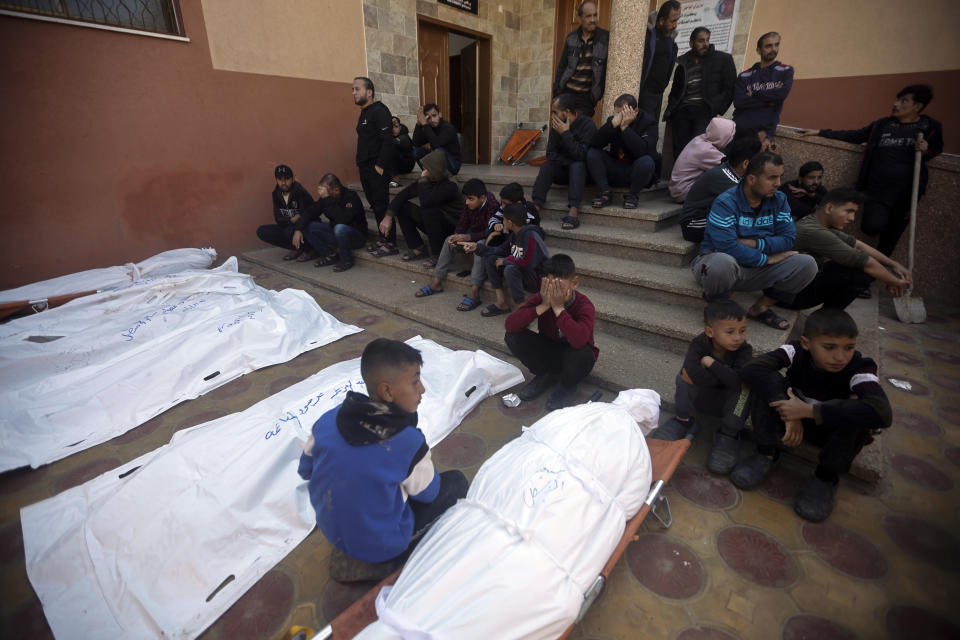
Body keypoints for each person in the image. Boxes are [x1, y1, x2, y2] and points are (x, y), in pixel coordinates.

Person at [297, 338, 468, 582]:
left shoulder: (328, 420)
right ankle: (386, 560)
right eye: (415, 381)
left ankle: (358, 543)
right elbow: (429, 494)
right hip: (380, 545)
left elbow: (306, 469)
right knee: (455, 483)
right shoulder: (407, 442)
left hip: (332, 530)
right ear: (387, 391)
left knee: (373, 486)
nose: (422, 390)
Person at [733, 308, 891, 522]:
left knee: (858, 414)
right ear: (807, 343)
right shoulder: (797, 351)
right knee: (766, 385)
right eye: (830, 347)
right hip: (789, 420)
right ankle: (765, 453)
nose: (840, 356)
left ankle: (825, 478)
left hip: (827, 430)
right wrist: (792, 413)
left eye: (849, 347)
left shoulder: (860, 367)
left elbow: (882, 412)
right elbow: (752, 369)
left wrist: (809, 411)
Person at [800, 84, 943, 256]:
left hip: (906, 194)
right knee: (871, 226)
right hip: (878, 191)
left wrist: (926, 148)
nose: (896, 104)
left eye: (903, 101)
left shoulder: (929, 127)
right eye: (897, 99)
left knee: (891, 238)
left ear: (917, 107)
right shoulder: (882, 125)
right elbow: (854, 135)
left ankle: (876, 273)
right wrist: (820, 132)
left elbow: (936, 148)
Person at [692, 152, 817, 331]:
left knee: (807, 264)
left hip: (756, 267)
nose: (778, 183)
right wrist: (768, 258)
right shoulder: (726, 203)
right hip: (721, 266)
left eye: (780, 177)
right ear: (751, 179)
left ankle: (761, 308)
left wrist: (755, 244)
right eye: (772, 177)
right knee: (722, 261)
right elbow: (727, 246)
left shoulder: (779, 200)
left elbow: (789, 239)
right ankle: (717, 307)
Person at [650, 301, 753, 475]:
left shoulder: (744, 350)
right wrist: (728, 379)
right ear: (710, 332)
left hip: (728, 404)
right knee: (684, 377)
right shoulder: (699, 344)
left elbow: (738, 382)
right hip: (702, 397)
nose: (738, 337)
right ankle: (682, 420)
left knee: (745, 390)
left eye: (742, 331)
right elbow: (692, 374)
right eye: (730, 332)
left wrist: (711, 363)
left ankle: (728, 434)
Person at [786, 187, 911, 310]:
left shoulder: (818, 223)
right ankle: (827, 318)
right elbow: (866, 262)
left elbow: (859, 245)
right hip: (787, 297)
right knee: (859, 274)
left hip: (794, 288)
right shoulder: (813, 231)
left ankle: (828, 318)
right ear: (829, 208)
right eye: (849, 211)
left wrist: (894, 265)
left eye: (854, 213)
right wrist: (894, 281)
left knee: (852, 266)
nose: (852, 218)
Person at [504, 254, 598, 411]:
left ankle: (567, 385)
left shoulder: (585, 306)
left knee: (582, 352)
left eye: (559, 286)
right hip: (550, 350)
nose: (553, 291)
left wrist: (558, 308)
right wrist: (543, 306)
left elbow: (579, 340)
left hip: (574, 357)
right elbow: (510, 324)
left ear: (574, 283)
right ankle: (545, 375)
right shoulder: (542, 298)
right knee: (513, 337)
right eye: (549, 285)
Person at [413, 178, 500, 302]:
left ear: (482, 198)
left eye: (471, 199)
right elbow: (463, 222)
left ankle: (474, 292)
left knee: (480, 245)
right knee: (449, 239)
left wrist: (469, 238)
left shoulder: (493, 205)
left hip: (488, 240)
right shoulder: (468, 204)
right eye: (466, 198)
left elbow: (490, 232)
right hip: (472, 236)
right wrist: (457, 235)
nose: (467, 202)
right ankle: (436, 281)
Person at [462, 203, 550, 318]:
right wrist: (476, 247)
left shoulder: (531, 235)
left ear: (510, 223)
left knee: (510, 269)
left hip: (538, 279)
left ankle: (522, 309)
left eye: (503, 219)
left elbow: (528, 262)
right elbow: (499, 250)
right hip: (524, 273)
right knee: (491, 259)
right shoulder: (515, 235)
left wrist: (506, 261)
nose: (502, 222)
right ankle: (501, 302)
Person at [379, 149, 464, 266]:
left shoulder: (451, 185)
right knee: (403, 207)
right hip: (435, 223)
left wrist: (423, 179)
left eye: (426, 168)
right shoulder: (430, 179)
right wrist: (388, 217)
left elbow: (426, 201)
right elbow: (403, 194)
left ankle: (438, 254)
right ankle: (417, 246)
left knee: (429, 211)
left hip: (452, 227)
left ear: (435, 169)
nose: (423, 171)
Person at [663, 26, 737, 159]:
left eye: (707, 40)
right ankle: (680, 178)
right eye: (701, 41)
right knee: (680, 149)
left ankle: (694, 179)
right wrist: (671, 110)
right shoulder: (683, 62)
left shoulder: (722, 59)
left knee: (697, 148)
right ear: (691, 43)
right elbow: (676, 89)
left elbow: (730, 87)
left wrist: (717, 107)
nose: (706, 44)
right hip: (682, 111)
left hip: (704, 110)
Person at [679, 135, 763, 242]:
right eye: (760, 163)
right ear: (746, 164)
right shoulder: (724, 177)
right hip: (693, 225)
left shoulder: (733, 172)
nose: (762, 167)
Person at [532, 93, 597, 230]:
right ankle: (536, 207)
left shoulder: (588, 124)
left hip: (582, 175)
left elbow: (582, 155)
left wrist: (565, 134)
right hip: (564, 171)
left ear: (567, 112)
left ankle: (573, 210)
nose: (552, 116)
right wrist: (569, 161)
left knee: (578, 165)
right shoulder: (556, 125)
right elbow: (550, 154)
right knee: (547, 166)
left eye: (555, 112)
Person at [586, 93, 659, 210]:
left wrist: (625, 128)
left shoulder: (649, 122)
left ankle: (632, 195)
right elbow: (595, 143)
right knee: (592, 153)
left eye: (622, 113)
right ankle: (605, 192)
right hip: (616, 167)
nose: (619, 116)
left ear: (635, 111)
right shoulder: (614, 121)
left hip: (636, 170)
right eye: (617, 113)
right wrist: (612, 125)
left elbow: (643, 150)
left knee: (647, 161)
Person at [353, 77, 396, 256]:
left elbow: (387, 141)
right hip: (365, 167)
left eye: (357, 89)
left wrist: (380, 166)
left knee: (381, 205)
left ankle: (391, 243)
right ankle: (382, 238)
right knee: (374, 205)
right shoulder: (365, 112)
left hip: (376, 167)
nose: (353, 93)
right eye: (353, 89)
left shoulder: (379, 111)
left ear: (369, 92)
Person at [552, 1, 609, 118]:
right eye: (588, 16)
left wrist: (596, 96)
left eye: (595, 15)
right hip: (566, 93)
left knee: (581, 132)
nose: (593, 19)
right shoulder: (571, 38)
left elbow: (607, 70)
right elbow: (562, 66)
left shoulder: (605, 38)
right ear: (580, 19)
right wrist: (557, 91)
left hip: (586, 98)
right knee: (560, 130)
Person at [733, 32, 794, 138]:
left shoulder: (786, 70)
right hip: (740, 128)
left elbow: (781, 95)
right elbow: (739, 102)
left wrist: (754, 94)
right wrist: (769, 101)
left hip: (764, 131)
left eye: (776, 45)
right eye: (768, 46)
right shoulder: (744, 75)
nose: (773, 49)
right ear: (758, 50)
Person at [303, 174, 368, 272]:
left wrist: (327, 199)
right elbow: (310, 212)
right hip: (336, 234)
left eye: (325, 189)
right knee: (308, 226)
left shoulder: (351, 197)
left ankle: (346, 260)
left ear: (336, 189)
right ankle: (330, 255)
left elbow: (343, 219)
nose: (323, 193)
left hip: (356, 237)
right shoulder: (327, 198)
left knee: (340, 228)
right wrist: (298, 229)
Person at [668, 116, 735, 203]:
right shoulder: (705, 150)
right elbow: (729, 167)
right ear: (722, 136)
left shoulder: (700, 140)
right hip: (683, 192)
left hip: (679, 189)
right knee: (724, 178)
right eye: (730, 136)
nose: (732, 140)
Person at [256, 164, 316, 261]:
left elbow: (308, 214)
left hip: (307, 227)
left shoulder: (300, 191)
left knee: (291, 231)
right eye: (280, 179)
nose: (283, 182)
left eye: (287, 179)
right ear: (276, 180)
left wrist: (298, 229)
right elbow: (278, 218)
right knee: (262, 231)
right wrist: (291, 220)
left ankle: (311, 249)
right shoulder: (276, 194)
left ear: (293, 179)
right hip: (290, 225)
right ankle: (297, 248)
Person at [638, 0, 681, 121]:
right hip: (645, 93)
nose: (675, 25)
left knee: (652, 131)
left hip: (659, 94)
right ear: (661, 20)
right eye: (673, 21)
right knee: (645, 130)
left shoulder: (670, 40)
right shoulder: (648, 36)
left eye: (677, 20)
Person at [412, 104, 462, 176]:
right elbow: (416, 143)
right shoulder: (429, 128)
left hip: (453, 164)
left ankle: (433, 173)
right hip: (438, 163)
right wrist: (418, 124)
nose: (432, 120)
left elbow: (436, 144)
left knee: (439, 150)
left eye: (434, 115)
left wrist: (425, 124)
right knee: (416, 152)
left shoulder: (448, 128)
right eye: (428, 118)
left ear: (440, 115)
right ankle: (431, 172)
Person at [390, 116, 415, 186]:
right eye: (391, 127)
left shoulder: (404, 136)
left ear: (400, 127)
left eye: (396, 126)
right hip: (397, 165)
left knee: (390, 147)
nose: (393, 129)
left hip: (407, 165)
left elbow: (396, 142)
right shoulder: (391, 136)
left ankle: (395, 179)